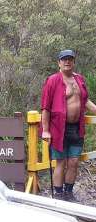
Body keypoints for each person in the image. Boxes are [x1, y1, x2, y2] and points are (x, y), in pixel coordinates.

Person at [41, 49, 96, 201]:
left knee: (73, 162)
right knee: (60, 162)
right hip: (59, 129)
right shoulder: (52, 80)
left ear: (73, 62)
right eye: (64, 59)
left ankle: (68, 193)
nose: (67, 61)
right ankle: (58, 195)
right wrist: (45, 131)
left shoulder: (79, 79)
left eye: (70, 59)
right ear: (59, 62)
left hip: (77, 128)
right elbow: (45, 107)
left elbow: (85, 101)